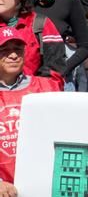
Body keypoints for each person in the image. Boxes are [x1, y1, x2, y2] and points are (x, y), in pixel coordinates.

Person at [0, 24, 62, 187]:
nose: (13, 55)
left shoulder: (47, 88)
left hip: (42, 184)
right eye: (4, 50)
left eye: (18, 49)